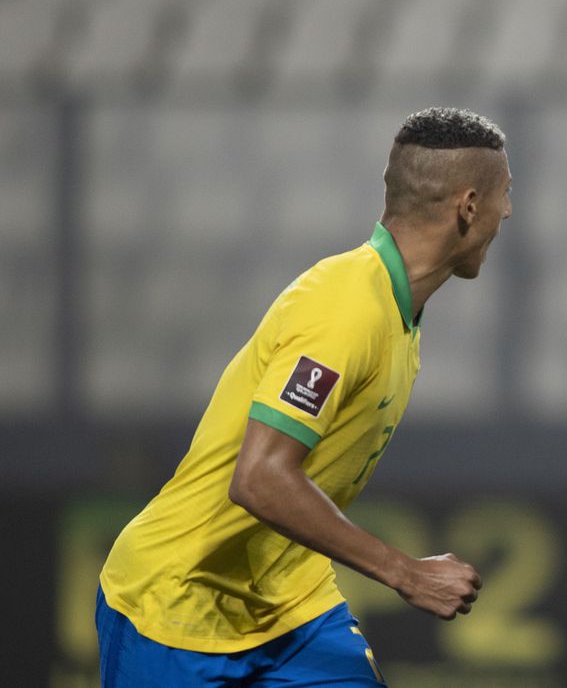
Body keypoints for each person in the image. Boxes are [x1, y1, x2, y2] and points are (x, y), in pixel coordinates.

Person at [97, 107, 512, 687]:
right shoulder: (345, 307)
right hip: (174, 608)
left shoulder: (397, 310)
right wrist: (405, 572)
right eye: (504, 194)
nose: (507, 212)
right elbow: (259, 478)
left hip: (290, 605)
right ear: (468, 206)